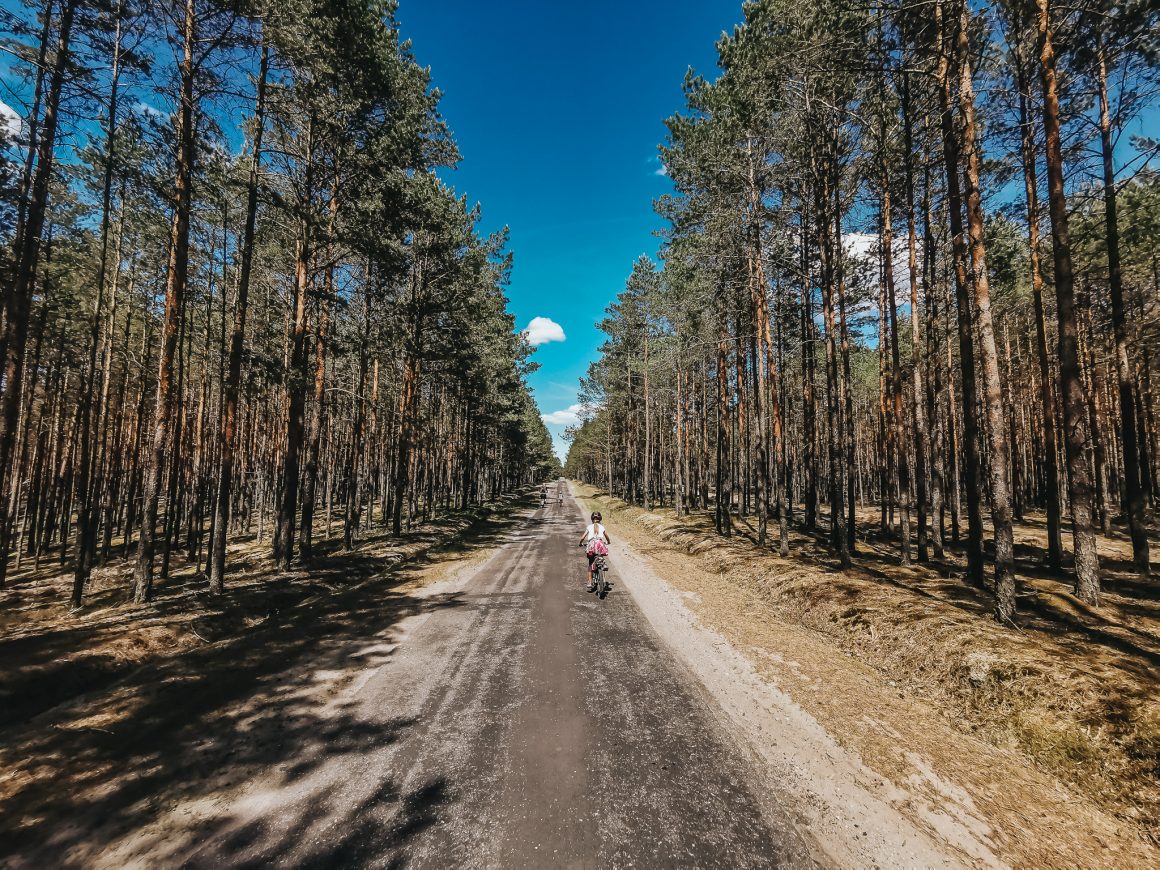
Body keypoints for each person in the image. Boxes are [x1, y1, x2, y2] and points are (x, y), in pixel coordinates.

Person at [577, 511, 610, 593]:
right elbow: (607, 536)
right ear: (600, 519)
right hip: (600, 544)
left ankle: (589, 582)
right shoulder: (602, 527)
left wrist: (580, 543)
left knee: (590, 563)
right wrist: (608, 542)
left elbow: (582, 537)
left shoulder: (589, 527)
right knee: (600, 556)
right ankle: (603, 563)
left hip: (592, 545)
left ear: (592, 519)